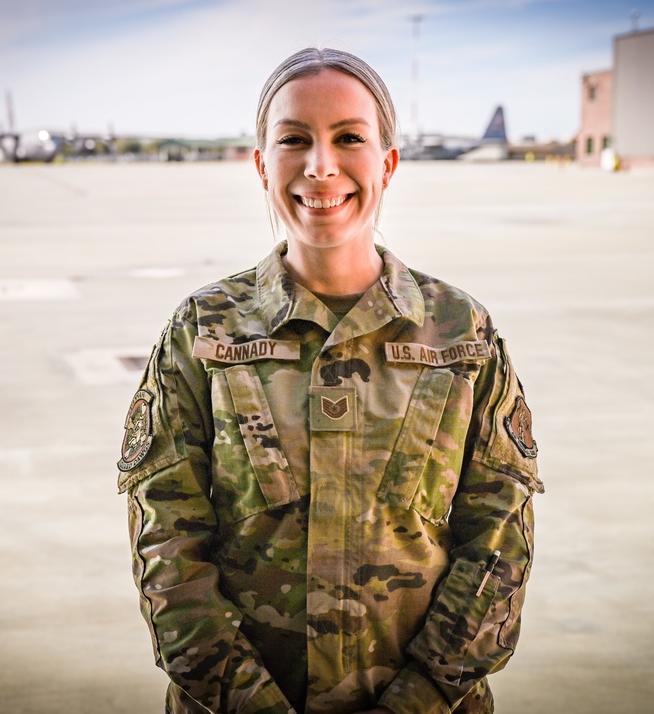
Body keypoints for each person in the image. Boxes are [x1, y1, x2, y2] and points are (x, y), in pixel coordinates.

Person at [117, 47, 543, 714]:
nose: (321, 166)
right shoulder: (201, 332)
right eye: (293, 139)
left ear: (388, 163)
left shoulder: (463, 335)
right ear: (261, 164)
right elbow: (169, 550)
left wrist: (419, 701)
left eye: (349, 137)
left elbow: (496, 546)